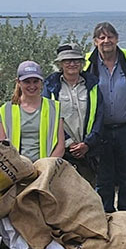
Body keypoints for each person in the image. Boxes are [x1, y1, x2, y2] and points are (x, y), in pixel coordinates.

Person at [83, 22, 126, 212]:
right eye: (102, 37)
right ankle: (106, 217)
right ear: (95, 41)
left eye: (110, 36)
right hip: (100, 130)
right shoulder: (87, 63)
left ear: (117, 38)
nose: (106, 41)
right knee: (104, 178)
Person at [44, 43, 104, 184]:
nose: (72, 64)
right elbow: (47, 117)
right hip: (61, 151)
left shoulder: (93, 85)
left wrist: (87, 144)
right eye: (67, 61)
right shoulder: (50, 86)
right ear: (60, 64)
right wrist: (68, 143)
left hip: (88, 152)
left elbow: (99, 117)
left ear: (82, 63)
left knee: (86, 194)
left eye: (76, 60)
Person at [0, 60, 65, 162]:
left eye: (35, 81)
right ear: (18, 82)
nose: (32, 86)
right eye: (27, 82)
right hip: (15, 169)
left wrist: (46, 167)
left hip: (46, 169)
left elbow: (60, 145)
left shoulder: (55, 108)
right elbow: (0, 147)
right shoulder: (5, 110)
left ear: (41, 82)